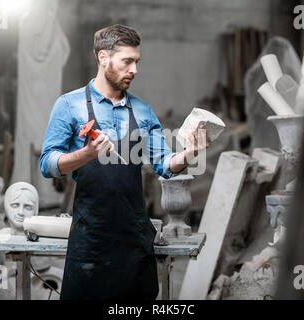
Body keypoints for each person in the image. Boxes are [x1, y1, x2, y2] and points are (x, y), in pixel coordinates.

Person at [40, 24, 209, 300]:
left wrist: (191, 153)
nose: (134, 70)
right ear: (103, 58)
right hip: (89, 240)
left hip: (133, 240)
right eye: (127, 61)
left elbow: (165, 164)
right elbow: (47, 164)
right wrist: (86, 154)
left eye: (136, 62)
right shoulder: (69, 105)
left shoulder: (142, 110)